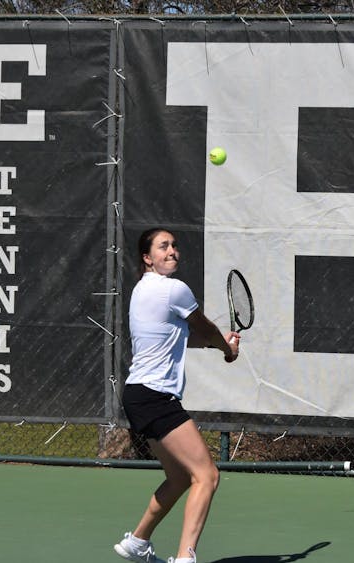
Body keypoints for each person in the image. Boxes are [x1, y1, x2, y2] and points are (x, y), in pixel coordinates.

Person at [114, 228, 240, 563]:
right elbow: (205, 329)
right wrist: (225, 347)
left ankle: (137, 542)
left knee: (181, 477)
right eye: (163, 247)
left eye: (174, 246)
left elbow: (182, 338)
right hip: (155, 396)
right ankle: (186, 557)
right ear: (147, 257)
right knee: (207, 475)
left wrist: (220, 347)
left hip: (138, 395)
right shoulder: (174, 290)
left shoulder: (143, 290)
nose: (172, 251)